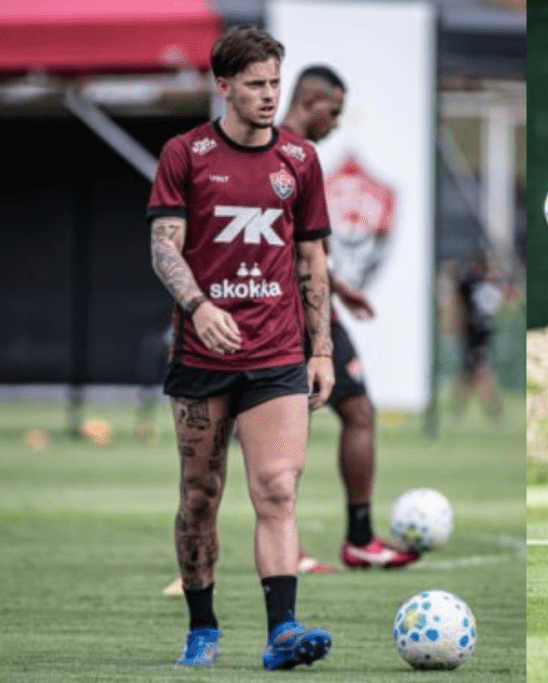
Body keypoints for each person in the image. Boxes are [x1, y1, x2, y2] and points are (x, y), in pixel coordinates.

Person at [148, 26, 333, 668]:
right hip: (201, 360)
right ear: (222, 85)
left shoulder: (301, 162)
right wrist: (199, 308)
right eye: (255, 84)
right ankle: (202, 626)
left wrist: (323, 351)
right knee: (201, 494)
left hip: (277, 354)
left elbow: (312, 259)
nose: (268, 96)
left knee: (277, 489)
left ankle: (283, 631)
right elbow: (163, 246)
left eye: (275, 84)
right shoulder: (185, 154)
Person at [280, 64, 420, 570]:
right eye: (333, 111)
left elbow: (305, 243)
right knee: (288, 426)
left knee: (358, 411)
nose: (337, 124)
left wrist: (338, 287)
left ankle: (359, 538)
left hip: (319, 303)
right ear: (311, 102)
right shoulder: (283, 155)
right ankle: (288, 549)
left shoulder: (301, 156)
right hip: (286, 310)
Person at [452, 255, 504, 420]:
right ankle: (462, 407)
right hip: (478, 338)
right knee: (472, 374)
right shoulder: (487, 288)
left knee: (478, 374)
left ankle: (487, 407)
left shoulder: (482, 288)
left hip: (479, 338)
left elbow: (463, 290)